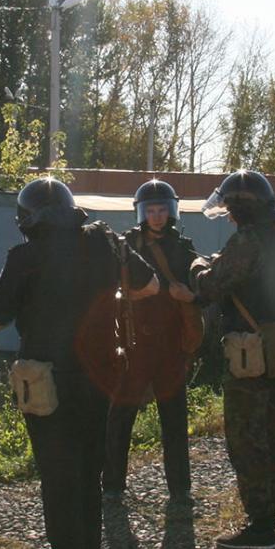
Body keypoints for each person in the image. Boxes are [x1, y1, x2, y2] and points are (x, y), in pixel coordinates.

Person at [0, 176, 159, 549]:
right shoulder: (104, 243)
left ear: (28, 219)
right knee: (88, 470)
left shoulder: (23, 256)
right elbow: (150, 285)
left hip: (46, 378)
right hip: (99, 375)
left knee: (58, 477)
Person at [191, 169, 275, 549]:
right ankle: (269, 512)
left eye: (230, 208)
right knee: (270, 435)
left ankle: (261, 526)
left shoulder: (249, 240)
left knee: (246, 439)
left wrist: (196, 267)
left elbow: (209, 286)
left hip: (249, 352)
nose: (228, 215)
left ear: (240, 209)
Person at [103, 179, 201, 508]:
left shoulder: (183, 247)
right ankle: (112, 485)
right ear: (142, 212)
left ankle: (180, 490)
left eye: (162, 209)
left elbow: (194, 290)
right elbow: (112, 287)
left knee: (174, 420)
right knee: (120, 417)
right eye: (151, 210)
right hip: (135, 343)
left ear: (171, 212)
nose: (157, 216)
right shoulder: (125, 245)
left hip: (171, 344)